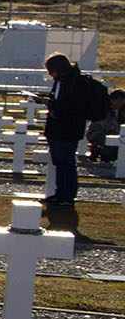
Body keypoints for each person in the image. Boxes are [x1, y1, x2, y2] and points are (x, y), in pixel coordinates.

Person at [36, 52, 108, 206]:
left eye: (51, 71)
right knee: (61, 163)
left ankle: (67, 196)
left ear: (57, 69)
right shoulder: (66, 81)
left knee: (66, 163)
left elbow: (70, 107)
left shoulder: (74, 83)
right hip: (62, 128)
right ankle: (60, 194)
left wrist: (48, 102)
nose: (50, 74)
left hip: (67, 129)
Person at [90, 89, 123, 170]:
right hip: (99, 134)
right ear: (112, 100)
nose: (121, 104)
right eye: (119, 101)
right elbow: (100, 127)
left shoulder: (119, 112)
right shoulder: (103, 111)